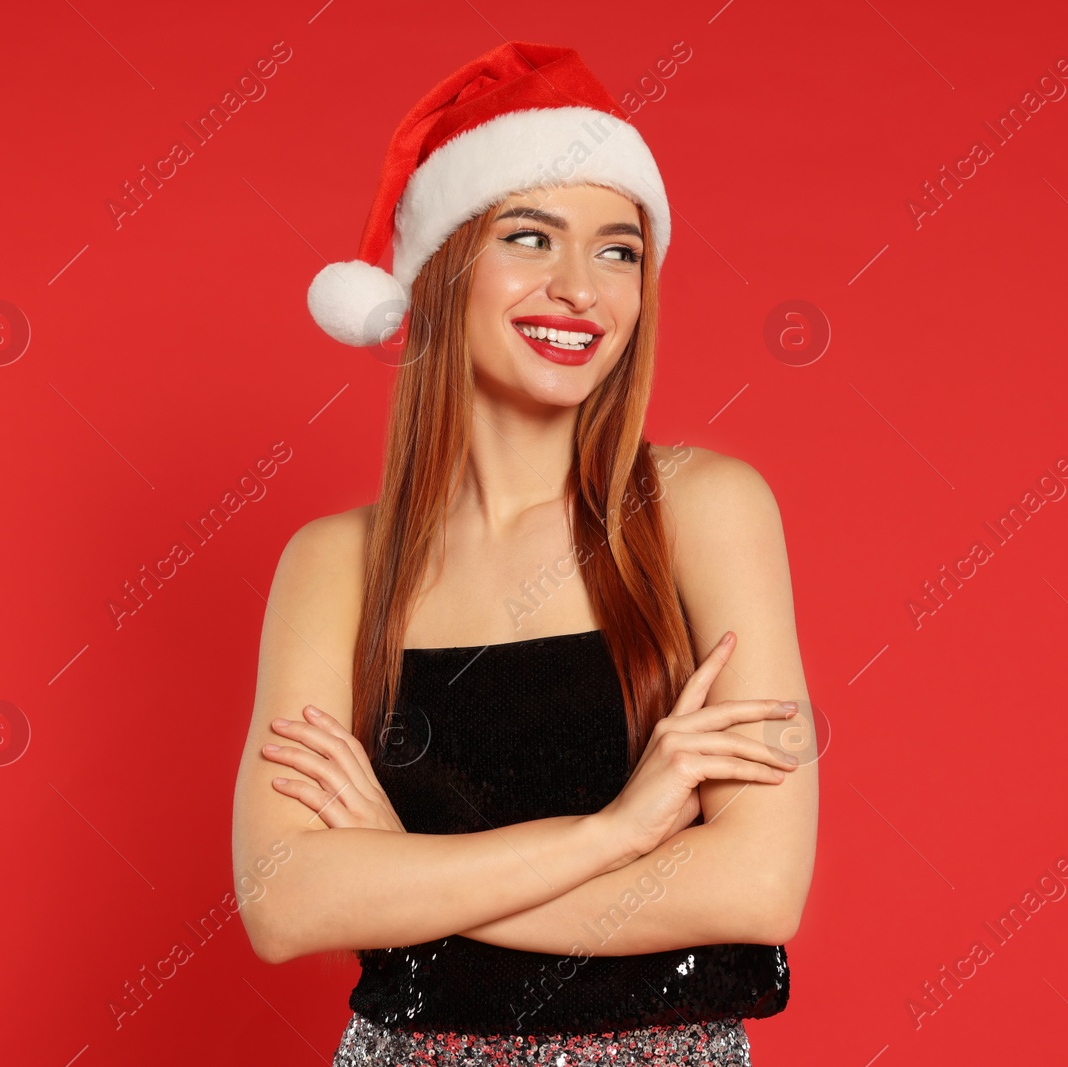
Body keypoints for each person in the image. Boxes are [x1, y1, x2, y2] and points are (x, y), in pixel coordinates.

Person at [231, 41, 818, 1066]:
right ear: (444, 264)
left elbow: (756, 885)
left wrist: (406, 873)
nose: (579, 288)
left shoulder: (704, 509)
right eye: (531, 237)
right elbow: (284, 900)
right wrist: (619, 831)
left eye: (617, 250)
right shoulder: (334, 566)